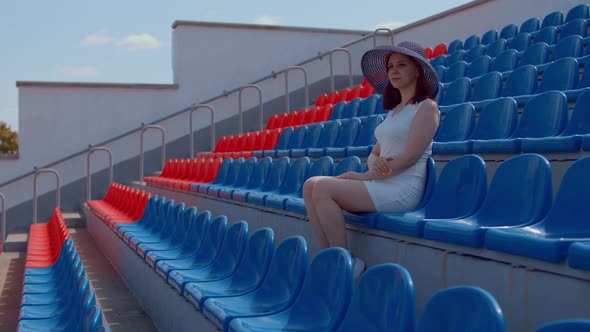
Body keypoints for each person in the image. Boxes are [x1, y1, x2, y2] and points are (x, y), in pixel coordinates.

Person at [302, 41, 440, 279]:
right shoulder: (395, 110)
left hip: (402, 188)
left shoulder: (427, 108)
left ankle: (346, 264)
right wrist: (373, 159)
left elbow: (409, 158)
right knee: (310, 185)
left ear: (417, 70)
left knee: (323, 188)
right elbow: (376, 151)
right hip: (382, 181)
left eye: (401, 65)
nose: (393, 71)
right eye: (390, 66)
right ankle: (330, 258)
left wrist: (365, 175)